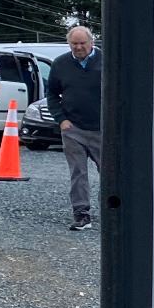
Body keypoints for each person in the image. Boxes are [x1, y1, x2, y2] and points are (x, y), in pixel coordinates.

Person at [46, 25, 102, 231]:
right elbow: (52, 94)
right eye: (74, 44)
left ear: (91, 42)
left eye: (82, 43)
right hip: (73, 128)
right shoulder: (60, 64)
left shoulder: (107, 61)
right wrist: (61, 119)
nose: (78, 47)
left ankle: (110, 210)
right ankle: (81, 213)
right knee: (78, 172)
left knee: (110, 173)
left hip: (102, 129)